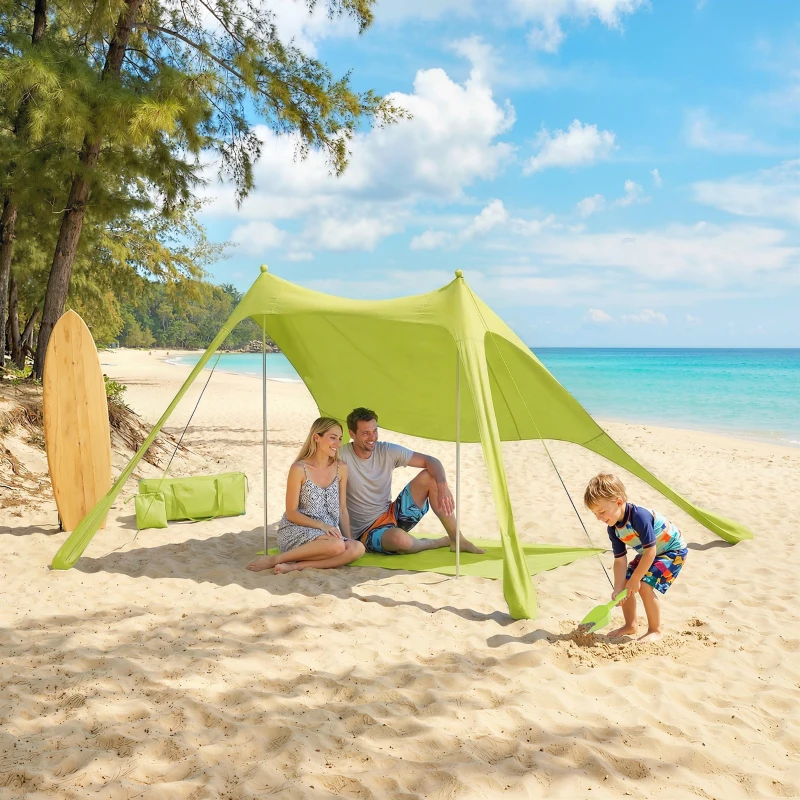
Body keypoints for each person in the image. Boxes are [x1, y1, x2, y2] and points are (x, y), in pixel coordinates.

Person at [338, 407, 485, 556]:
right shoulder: (341, 456)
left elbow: (430, 460)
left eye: (374, 430)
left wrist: (442, 485)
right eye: (365, 433)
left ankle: (457, 539)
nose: (372, 437)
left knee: (430, 476)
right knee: (401, 540)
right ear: (352, 434)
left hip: (393, 515)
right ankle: (436, 542)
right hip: (367, 532)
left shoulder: (386, 451)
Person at [247, 417, 364, 574]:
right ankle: (276, 560)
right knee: (336, 546)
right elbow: (291, 513)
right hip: (298, 529)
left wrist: (349, 539)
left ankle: (295, 566)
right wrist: (322, 526)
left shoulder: (341, 468)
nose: (338, 443)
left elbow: (342, 509)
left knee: (357, 548)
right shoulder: (299, 469)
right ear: (317, 437)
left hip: (327, 534)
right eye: (333, 438)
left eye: (340, 439)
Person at [584, 473, 688, 642]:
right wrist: (618, 588)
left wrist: (636, 579)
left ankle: (655, 630)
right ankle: (630, 625)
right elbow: (620, 560)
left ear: (618, 502)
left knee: (644, 586)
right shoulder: (613, 528)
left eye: (602, 512)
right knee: (626, 584)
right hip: (649, 553)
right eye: (595, 514)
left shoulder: (639, 516)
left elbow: (650, 552)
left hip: (672, 552)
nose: (599, 518)